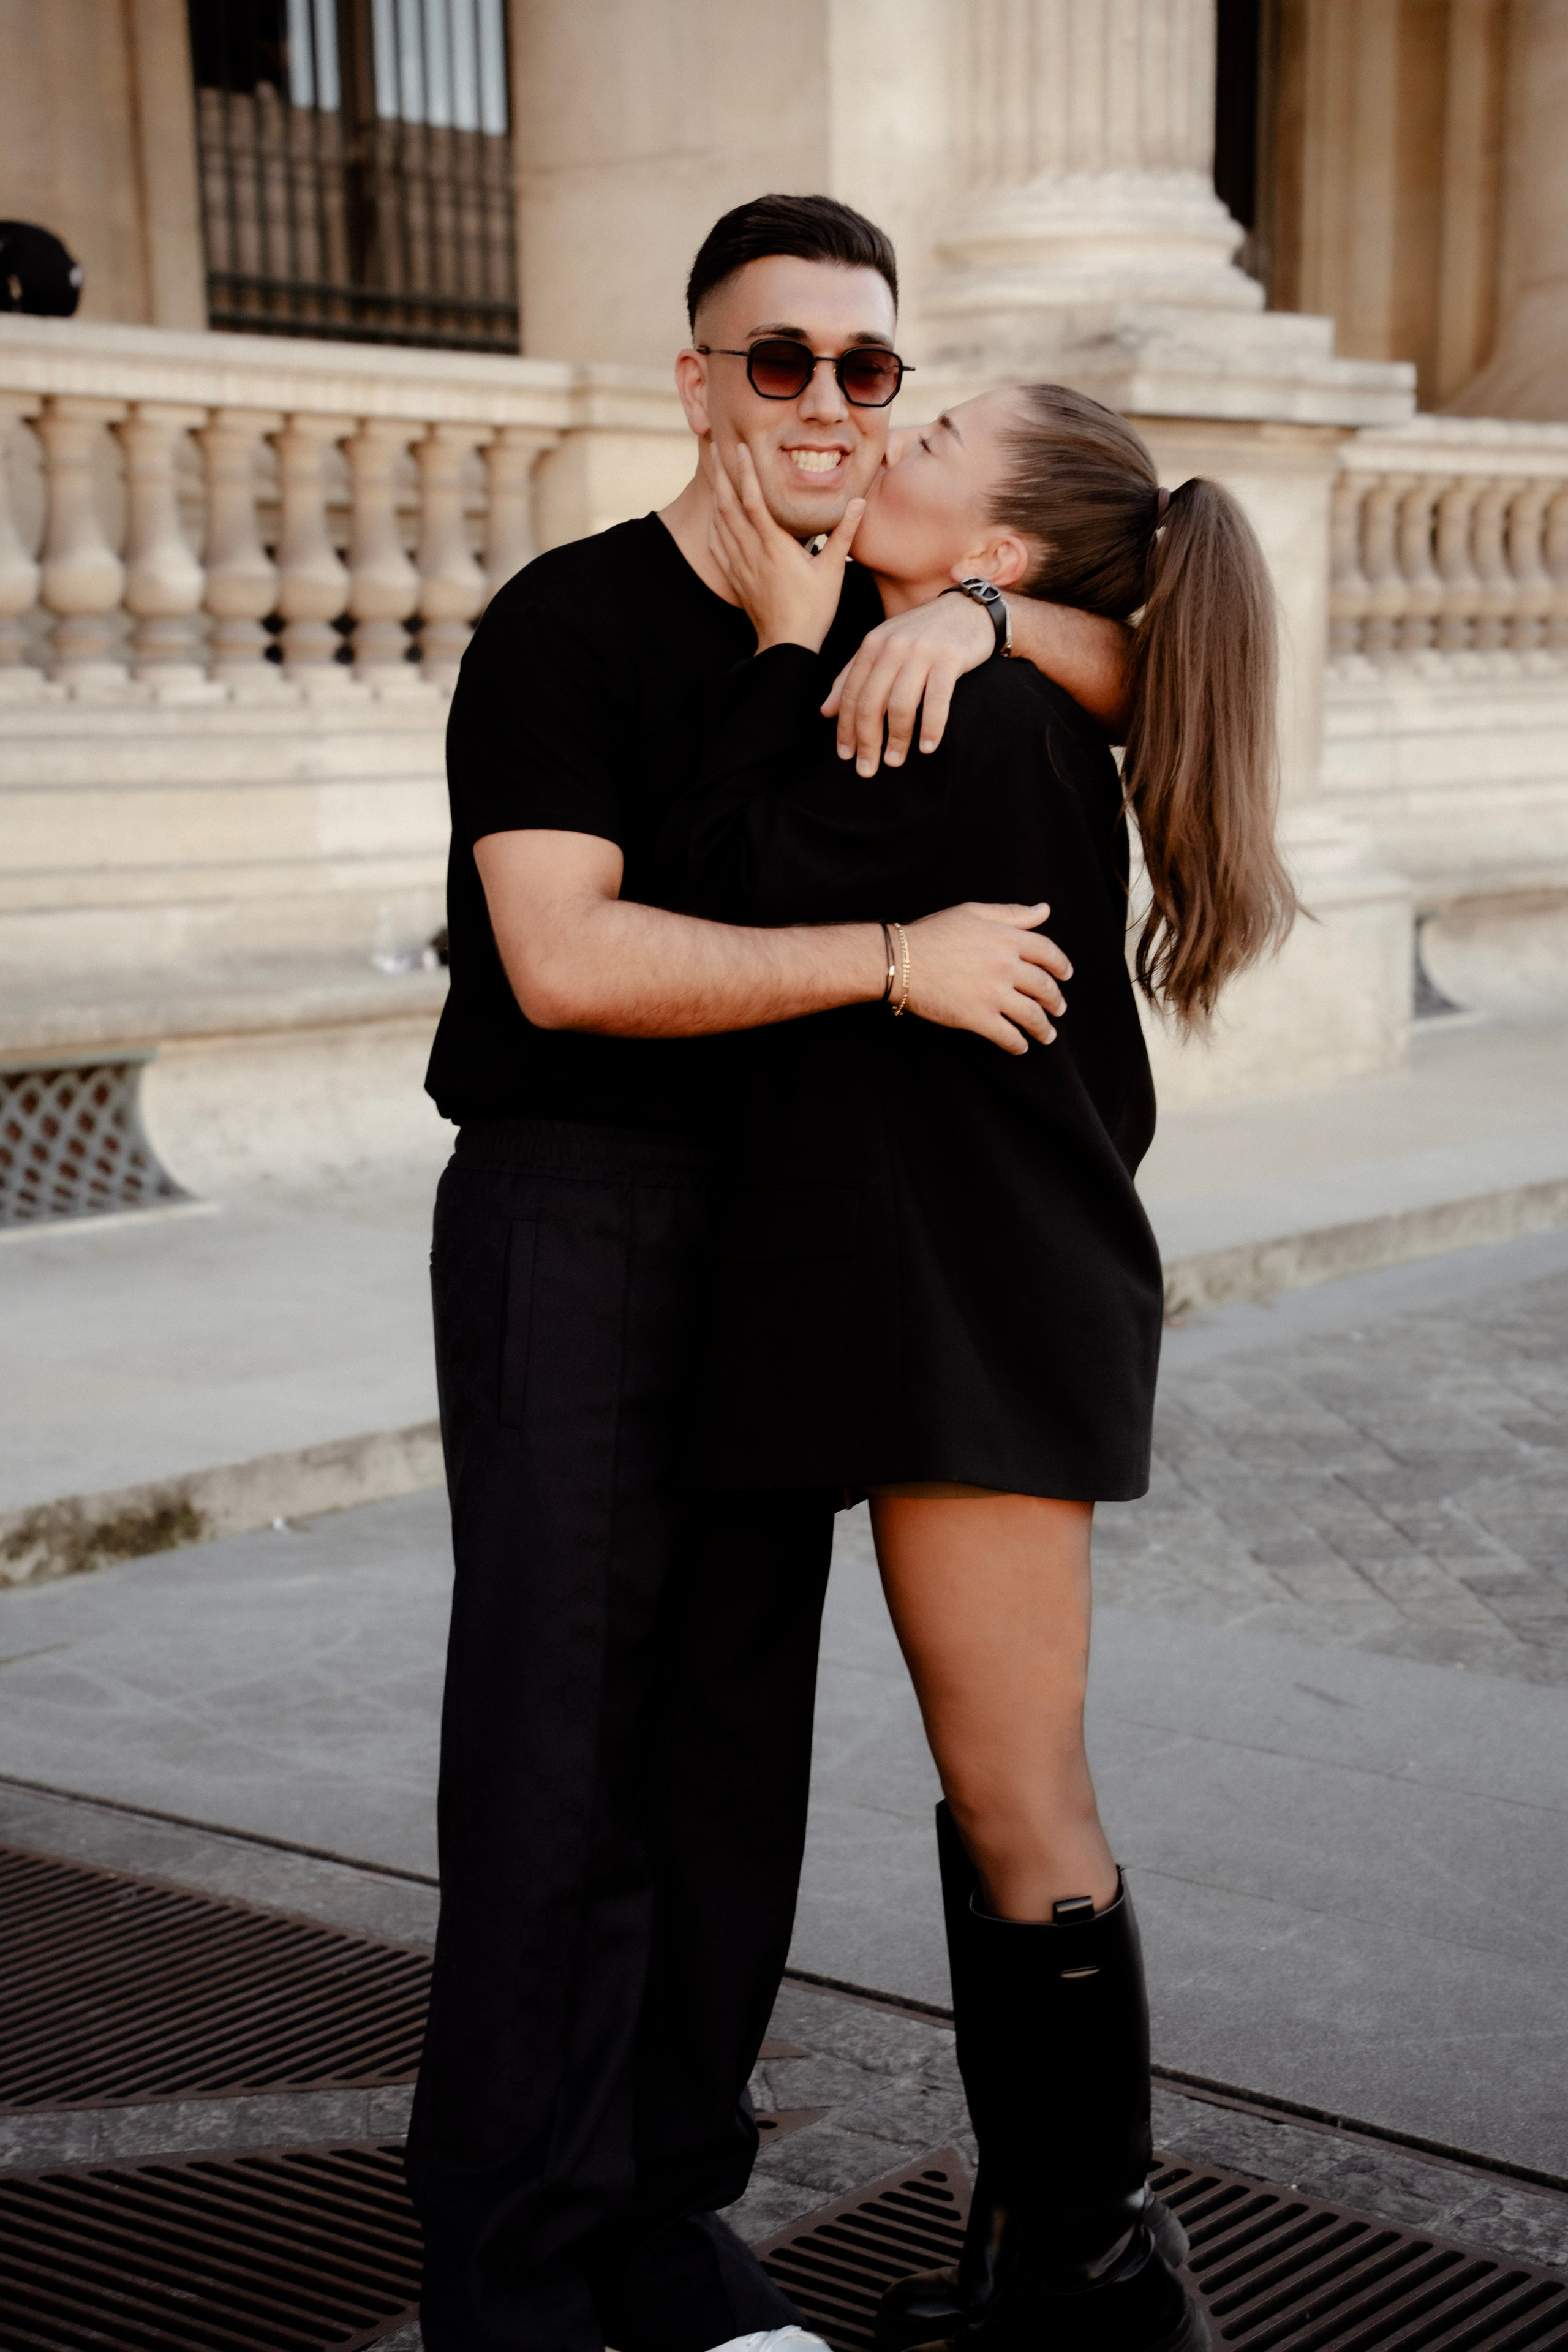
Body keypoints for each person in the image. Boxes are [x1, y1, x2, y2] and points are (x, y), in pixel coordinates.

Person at [406, 194, 1134, 2352]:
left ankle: (665, 2222)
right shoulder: (578, 622)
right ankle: (521, 2271)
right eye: (781, 358)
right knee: (561, 1765)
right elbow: (560, 955)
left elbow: (1166, 625)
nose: (829, 399)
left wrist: (1008, 627)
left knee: (730, 1766)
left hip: (790, 1251)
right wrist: (895, 959)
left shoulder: (899, 622)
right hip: (581, 1214)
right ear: (699, 380)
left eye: (869, 366)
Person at [657, 380, 1296, 2352]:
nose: (889, 433)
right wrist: (960, 615)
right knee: (1000, 1793)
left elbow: (726, 863)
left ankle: (1099, 2277)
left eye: (934, 431)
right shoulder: (982, 666)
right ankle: (1054, 2259)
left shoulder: (976, 700)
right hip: (959, 1293)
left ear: (1001, 551)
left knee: (1020, 1800)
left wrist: (801, 640)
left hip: (989, 1309)